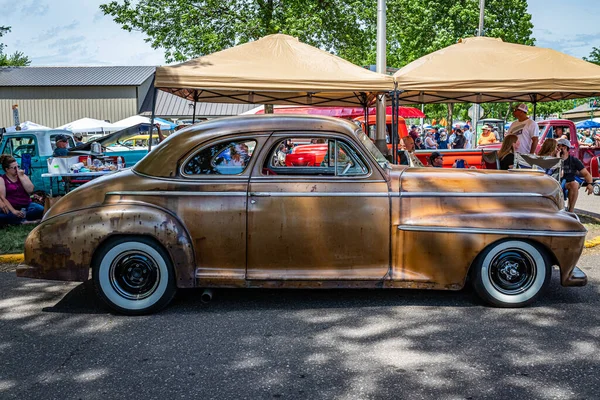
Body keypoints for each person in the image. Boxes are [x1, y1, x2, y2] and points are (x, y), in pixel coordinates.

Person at [0, 155, 44, 225]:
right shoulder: (2, 179)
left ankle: (20, 218)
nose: (17, 169)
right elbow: (3, 197)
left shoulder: (22, 176)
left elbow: (30, 190)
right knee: (3, 216)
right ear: (7, 169)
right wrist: (13, 210)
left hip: (26, 205)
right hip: (11, 207)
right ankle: (25, 221)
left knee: (39, 209)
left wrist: (21, 177)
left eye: (18, 166)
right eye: (14, 168)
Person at [556, 138, 593, 212]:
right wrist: (557, 157)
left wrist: (590, 184)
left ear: (565, 147)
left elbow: (586, 173)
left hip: (567, 183)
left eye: (558, 146)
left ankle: (571, 210)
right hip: (554, 182)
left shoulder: (574, 160)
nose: (557, 149)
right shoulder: (554, 157)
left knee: (575, 184)